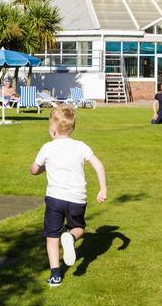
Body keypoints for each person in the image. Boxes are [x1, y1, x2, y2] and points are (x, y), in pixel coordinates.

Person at [30, 105, 108, 287]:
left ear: (52, 130)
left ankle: (55, 275)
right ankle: (71, 238)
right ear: (72, 128)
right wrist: (102, 189)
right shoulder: (80, 146)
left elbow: (34, 169)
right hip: (77, 198)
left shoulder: (47, 147)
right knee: (79, 227)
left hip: (55, 199)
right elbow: (99, 165)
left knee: (51, 236)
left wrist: (39, 168)